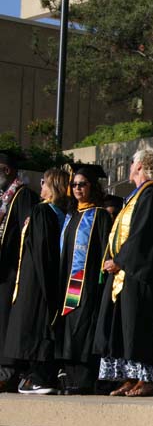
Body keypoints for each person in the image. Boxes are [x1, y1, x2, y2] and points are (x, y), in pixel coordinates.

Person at [94, 150, 153, 397]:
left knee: (135, 325)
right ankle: (129, 377)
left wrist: (121, 261)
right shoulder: (136, 196)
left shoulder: (150, 196)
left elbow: (142, 237)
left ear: (140, 167)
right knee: (121, 326)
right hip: (123, 275)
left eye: (132, 163)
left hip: (137, 274)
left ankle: (145, 380)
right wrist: (110, 258)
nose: (129, 167)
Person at [5, 168, 69, 394]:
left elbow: (42, 252)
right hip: (48, 278)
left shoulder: (41, 212)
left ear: (52, 186)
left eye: (44, 182)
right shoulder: (61, 213)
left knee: (33, 324)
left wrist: (43, 284)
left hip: (35, 280)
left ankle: (37, 377)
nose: (40, 186)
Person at [56, 164, 113, 395]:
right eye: (74, 185)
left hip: (86, 282)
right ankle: (69, 376)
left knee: (82, 327)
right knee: (68, 326)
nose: (78, 189)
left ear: (92, 187)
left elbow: (104, 251)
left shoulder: (99, 215)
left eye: (82, 184)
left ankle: (83, 378)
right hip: (68, 281)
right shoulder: (72, 215)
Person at [0, 152, 39, 393]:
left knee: (5, 321)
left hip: (13, 270)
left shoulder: (23, 196)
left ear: (6, 171)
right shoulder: (2, 198)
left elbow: (27, 234)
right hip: (2, 270)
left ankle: (8, 371)